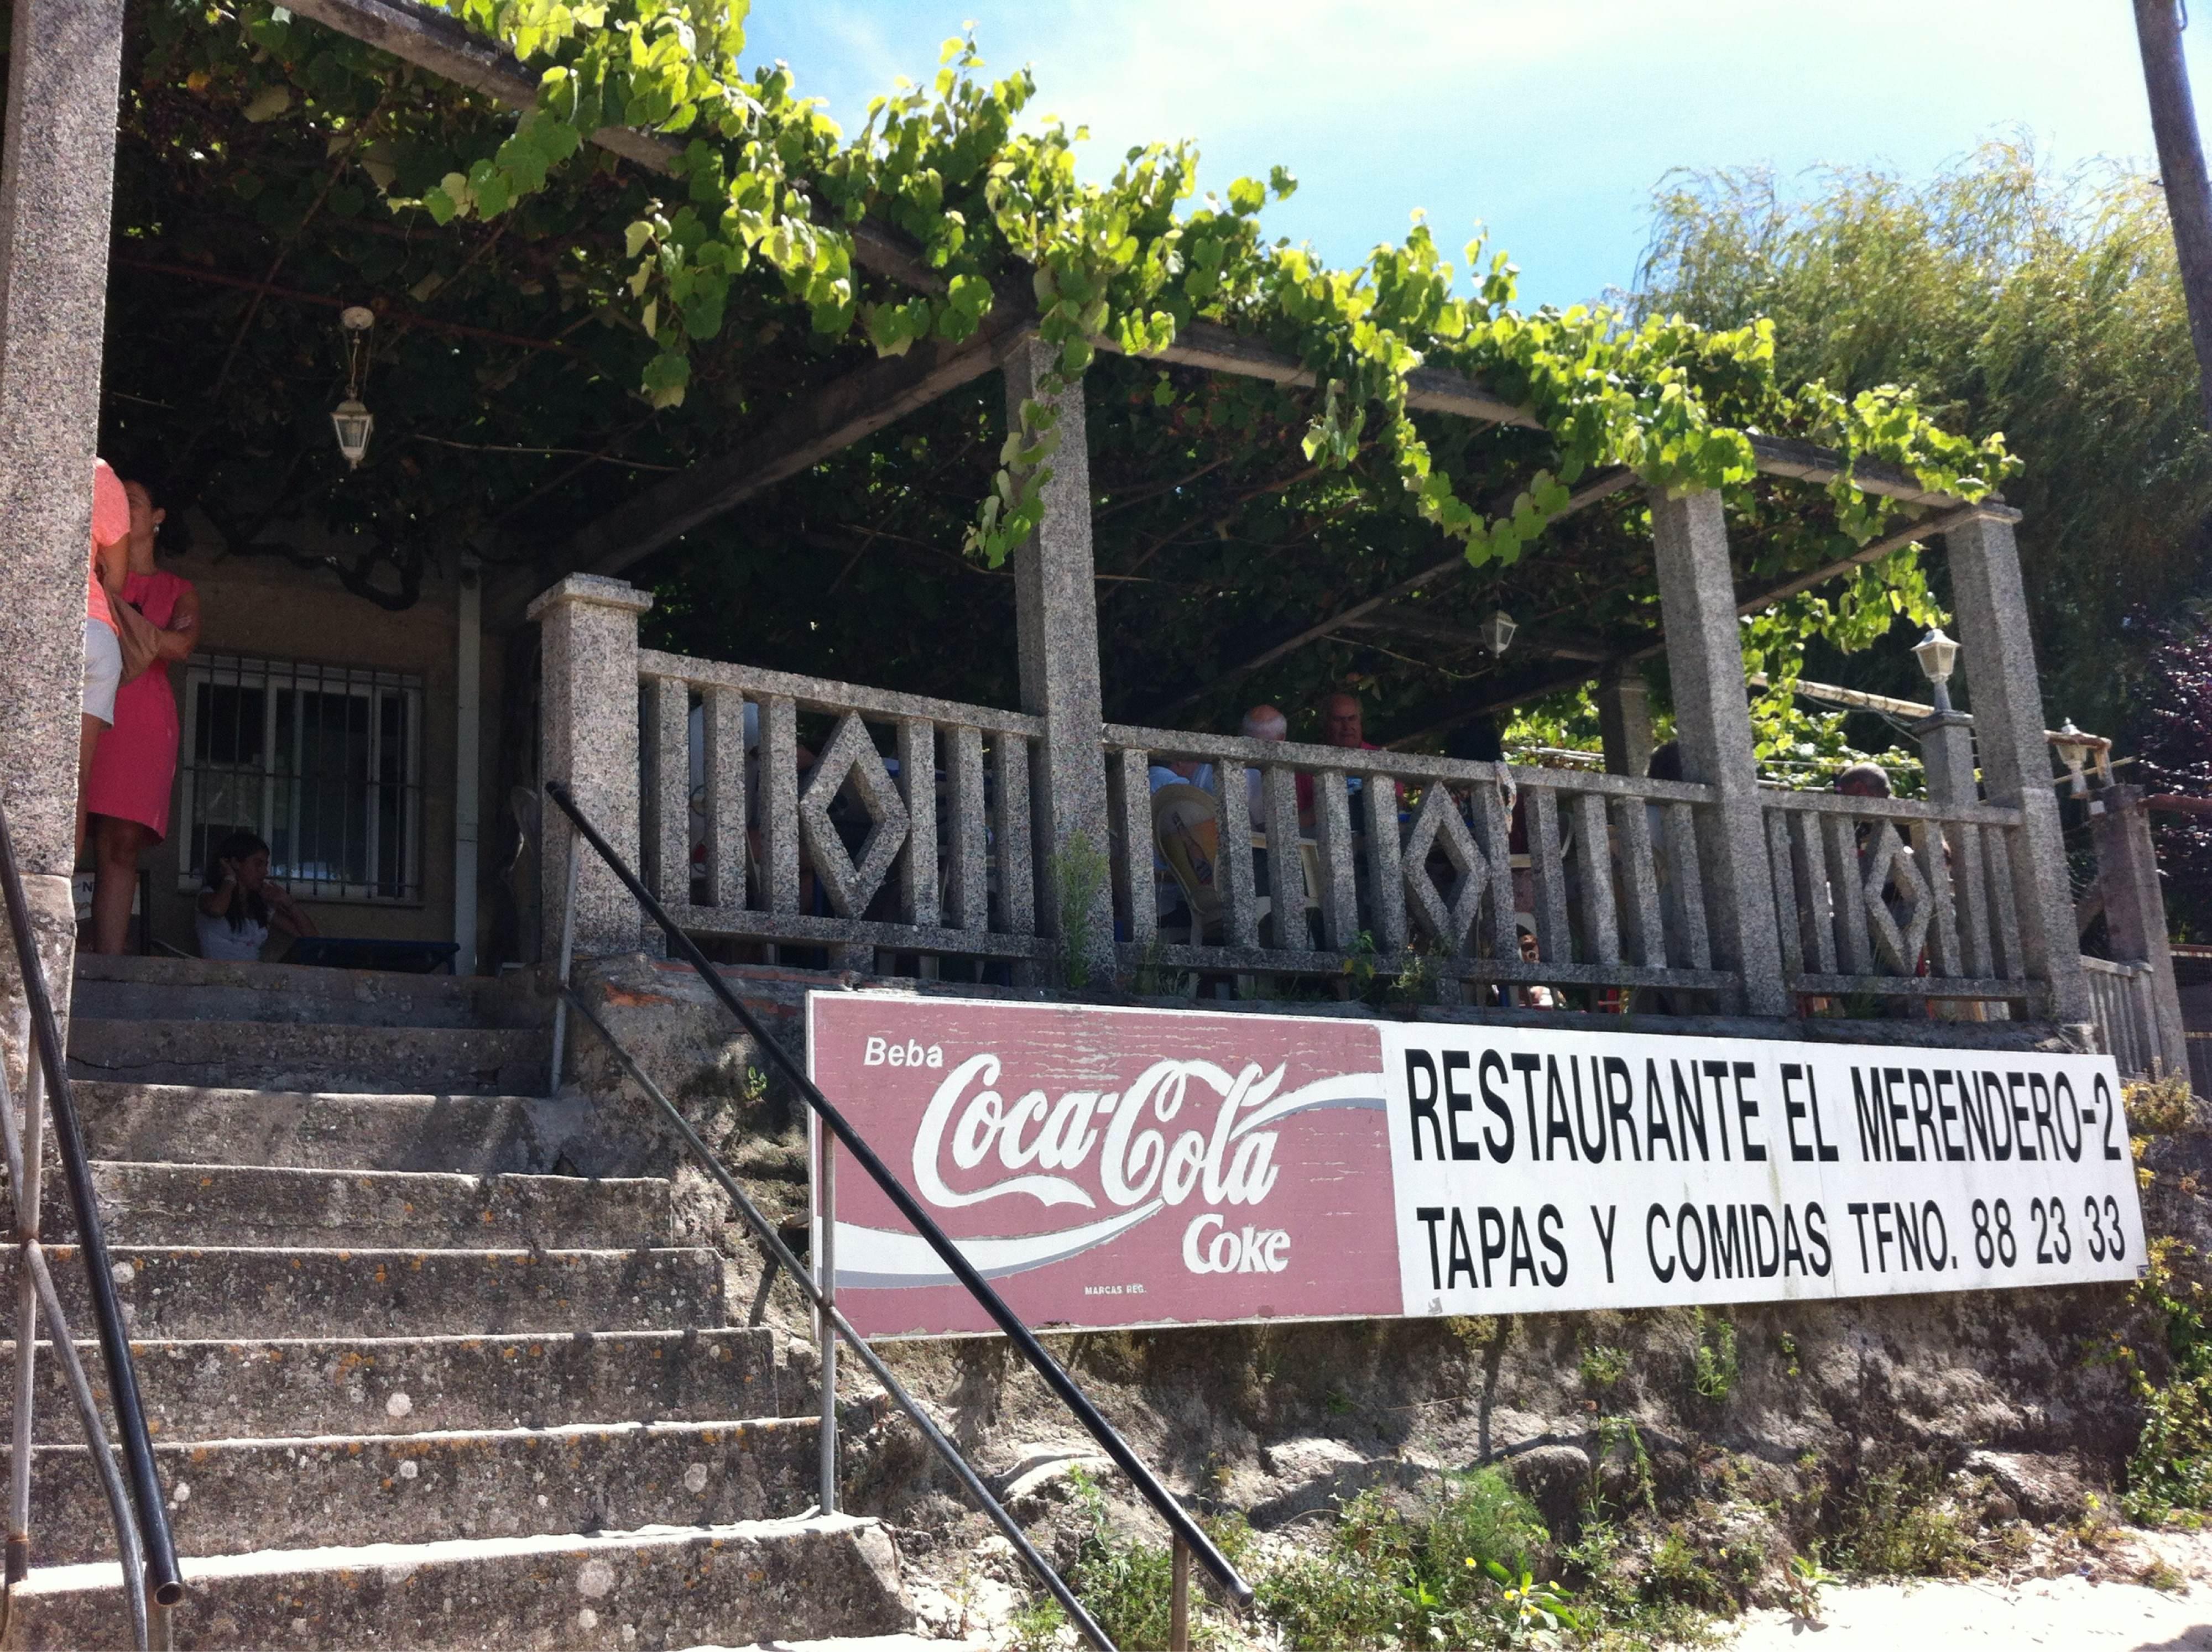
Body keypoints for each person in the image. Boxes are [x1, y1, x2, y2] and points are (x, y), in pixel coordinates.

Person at [84, 470, 199, 953]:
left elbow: (183, 644)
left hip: (143, 720)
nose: (123, 506)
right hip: (92, 701)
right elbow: (164, 641)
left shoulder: (178, 588)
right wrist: (150, 635)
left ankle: (108, 961)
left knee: (121, 844)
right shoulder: (91, 568)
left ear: (157, 519)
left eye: (134, 500)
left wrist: (128, 620)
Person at [77, 459, 132, 859]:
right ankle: (50, 906)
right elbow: (115, 580)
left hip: (39, 628)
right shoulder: (100, 474)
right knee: (73, 782)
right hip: (95, 634)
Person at [197, 830, 315, 961]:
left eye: (266, 865)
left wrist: (288, 903)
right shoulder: (209, 895)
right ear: (236, 863)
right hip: (217, 977)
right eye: (258, 864)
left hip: (254, 976)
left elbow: (311, 939)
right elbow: (217, 910)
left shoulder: (261, 904)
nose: (265, 872)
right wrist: (229, 879)